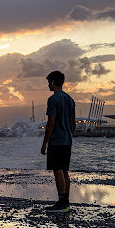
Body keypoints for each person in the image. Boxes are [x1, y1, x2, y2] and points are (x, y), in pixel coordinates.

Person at [40, 70, 76, 213]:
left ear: (53, 82)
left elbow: (51, 123)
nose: (48, 85)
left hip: (57, 141)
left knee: (58, 171)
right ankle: (65, 201)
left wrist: (45, 143)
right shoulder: (70, 99)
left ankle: (61, 202)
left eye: (49, 82)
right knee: (65, 171)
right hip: (67, 140)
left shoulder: (53, 99)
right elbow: (73, 123)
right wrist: (70, 136)